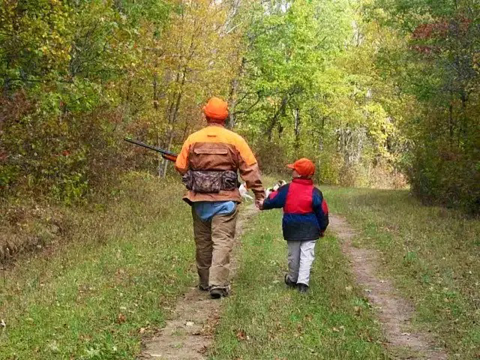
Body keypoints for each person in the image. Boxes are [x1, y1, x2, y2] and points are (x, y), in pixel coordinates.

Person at [175, 97, 265, 299]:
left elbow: (181, 166)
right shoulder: (236, 140)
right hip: (225, 202)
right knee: (222, 241)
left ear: (205, 114)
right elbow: (249, 169)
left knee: (203, 242)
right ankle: (218, 284)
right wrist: (260, 194)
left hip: (199, 202)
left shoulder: (193, 138)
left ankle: (205, 281)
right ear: (226, 116)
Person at [260, 158, 329, 293]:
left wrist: (264, 205)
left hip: (291, 227)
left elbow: (274, 199)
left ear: (298, 173)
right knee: (307, 255)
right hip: (310, 228)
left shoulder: (287, 189)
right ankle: (303, 283)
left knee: (293, 255)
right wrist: (322, 227)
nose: (291, 171)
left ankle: (292, 278)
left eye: (294, 169)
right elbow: (323, 212)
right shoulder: (315, 192)